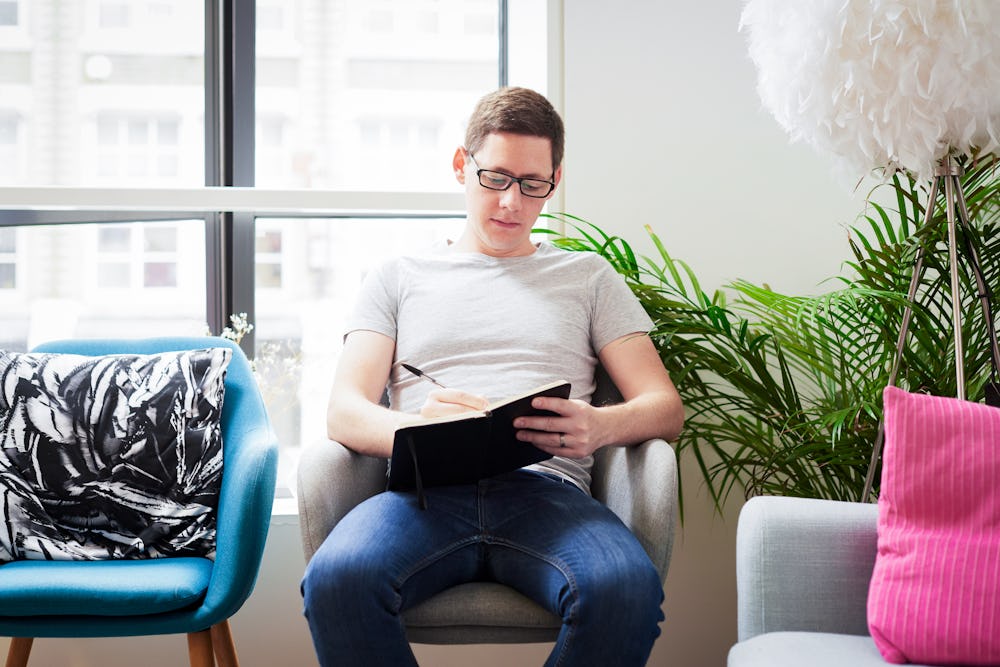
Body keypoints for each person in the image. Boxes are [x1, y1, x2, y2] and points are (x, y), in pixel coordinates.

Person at [301, 86, 684, 667]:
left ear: (555, 180)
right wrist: (415, 428)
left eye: (534, 185)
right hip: (423, 495)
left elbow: (664, 406)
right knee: (336, 580)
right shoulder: (397, 276)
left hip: (548, 493)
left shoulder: (587, 277)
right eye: (495, 178)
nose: (511, 202)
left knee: (625, 588)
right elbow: (344, 411)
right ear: (462, 166)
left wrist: (599, 427)